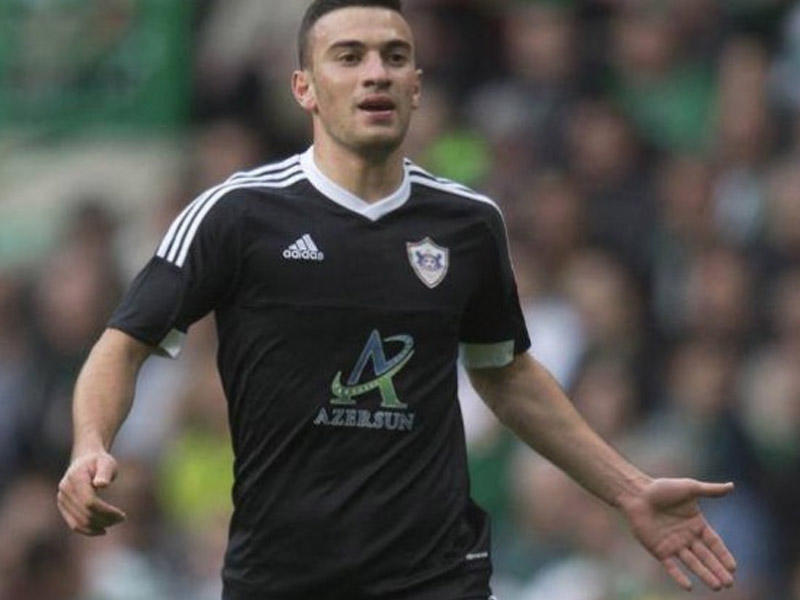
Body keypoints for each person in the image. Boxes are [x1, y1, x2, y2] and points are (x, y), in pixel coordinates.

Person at [56, 1, 738, 598]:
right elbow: (123, 345)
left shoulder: (468, 223)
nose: (376, 73)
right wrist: (90, 446)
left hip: (435, 575)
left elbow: (504, 373)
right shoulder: (236, 214)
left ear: (417, 85)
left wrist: (629, 489)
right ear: (304, 88)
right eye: (349, 57)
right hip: (284, 575)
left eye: (395, 56)